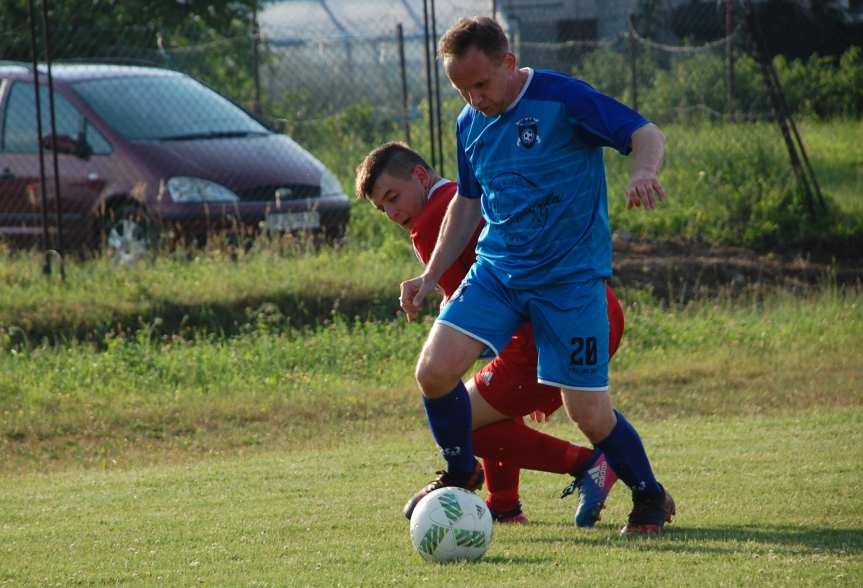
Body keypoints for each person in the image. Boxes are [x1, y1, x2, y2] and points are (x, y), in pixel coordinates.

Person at [399, 16, 675, 535]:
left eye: (480, 84)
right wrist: (432, 275)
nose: (473, 98)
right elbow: (466, 200)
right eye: (461, 88)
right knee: (434, 371)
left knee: (589, 413)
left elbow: (644, 132)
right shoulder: (468, 123)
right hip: (499, 270)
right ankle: (462, 471)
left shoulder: (561, 98)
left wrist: (642, 171)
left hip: (570, 280)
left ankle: (649, 495)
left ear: (508, 63)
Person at [355, 141, 626, 526]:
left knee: (459, 419)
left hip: (552, 326)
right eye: (383, 208)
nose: (392, 212)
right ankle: (503, 504)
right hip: (591, 306)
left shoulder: (434, 218)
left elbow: (469, 315)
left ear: (419, 175)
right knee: (483, 402)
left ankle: (589, 464)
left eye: (393, 197)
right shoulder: (456, 195)